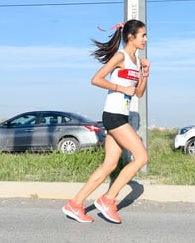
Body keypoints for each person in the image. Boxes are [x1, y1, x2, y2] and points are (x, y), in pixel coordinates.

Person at [62, 19, 150, 223]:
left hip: (121, 115)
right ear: (131, 36)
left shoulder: (136, 62)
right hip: (112, 115)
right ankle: (108, 200)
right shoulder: (120, 57)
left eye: (146, 36)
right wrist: (120, 88)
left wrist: (145, 74)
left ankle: (75, 204)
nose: (145, 39)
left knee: (109, 165)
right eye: (142, 35)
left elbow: (138, 93)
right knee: (141, 157)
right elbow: (96, 79)